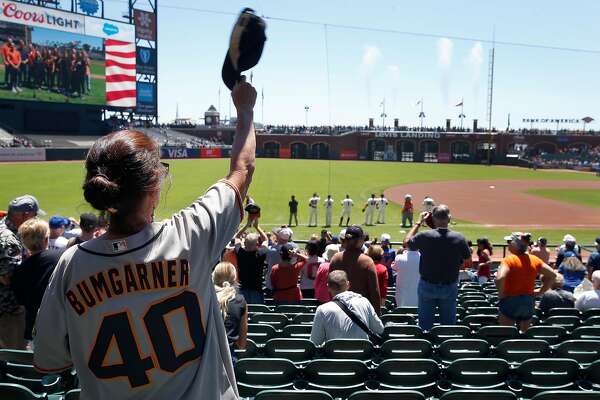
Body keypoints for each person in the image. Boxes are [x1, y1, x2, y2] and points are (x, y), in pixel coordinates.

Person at [33, 78, 257, 399]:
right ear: (154, 186)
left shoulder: (72, 264)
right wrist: (245, 109)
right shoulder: (191, 234)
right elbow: (243, 169)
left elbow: (49, 360)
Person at [403, 205, 471, 331]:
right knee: (448, 326)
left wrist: (419, 223)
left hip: (427, 284)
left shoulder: (425, 236)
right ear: (449, 218)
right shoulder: (459, 238)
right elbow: (468, 262)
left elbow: (406, 242)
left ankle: (426, 348)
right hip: (449, 285)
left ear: (433, 219)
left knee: (425, 326)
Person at [0, 195, 44, 349]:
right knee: (15, 353)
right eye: (34, 214)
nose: (36, 218)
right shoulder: (9, 239)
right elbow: (8, 278)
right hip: (9, 309)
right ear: (25, 215)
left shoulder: (3, 227)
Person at [12, 219, 63, 342]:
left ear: (25, 243)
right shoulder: (62, 257)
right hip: (63, 324)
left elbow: (21, 300)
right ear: (46, 239)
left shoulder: (19, 270)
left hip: (36, 328)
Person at [496, 232, 556, 332]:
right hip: (528, 301)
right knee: (525, 334)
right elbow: (552, 275)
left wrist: (501, 293)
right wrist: (541, 291)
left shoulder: (509, 260)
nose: (508, 244)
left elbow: (500, 278)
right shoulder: (534, 260)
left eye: (509, 242)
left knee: (506, 333)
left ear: (515, 244)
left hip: (510, 300)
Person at [310, 270, 384, 346]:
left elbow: (315, 341)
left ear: (328, 287)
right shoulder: (364, 302)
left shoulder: (322, 309)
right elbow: (379, 329)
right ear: (348, 284)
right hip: (363, 356)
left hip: (334, 356)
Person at [329, 225, 381, 314]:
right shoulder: (367, 261)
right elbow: (375, 292)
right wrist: (376, 314)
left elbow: (330, 287)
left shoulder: (335, 258)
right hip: (361, 312)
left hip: (339, 310)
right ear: (360, 241)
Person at [212, 262, 248, 361]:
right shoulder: (240, 301)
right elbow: (242, 344)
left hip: (205, 359)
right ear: (234, 279)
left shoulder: (205, 298)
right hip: (228, 357)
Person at [235, 230, 268, 304]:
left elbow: (237, 237)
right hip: (257, 290)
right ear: (257, 243)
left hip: (242, 289)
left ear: (244, 243)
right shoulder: (261, 253)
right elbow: (266, 240)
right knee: (257, 313)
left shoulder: (240, 252)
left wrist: (247, 225)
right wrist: (257, 227)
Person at [265, 226, 298, 294]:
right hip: (287, 284)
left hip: (272, 285)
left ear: (278, 237)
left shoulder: (271, 250)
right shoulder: (294, 248)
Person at [393, 241, 420, 307]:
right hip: (418, 296)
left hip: (402, 297)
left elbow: (395, 268)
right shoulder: (424, 258)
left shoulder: (399, 257)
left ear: (407, 246)